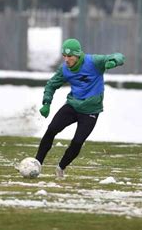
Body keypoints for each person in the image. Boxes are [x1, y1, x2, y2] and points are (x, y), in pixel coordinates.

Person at [34, 38, 125, 178]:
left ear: (77, 55)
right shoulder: (65, 69)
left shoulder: (94, 62)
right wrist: (47, 102)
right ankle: (37, 164)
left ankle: (61, 167)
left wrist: (113, 62)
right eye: (64, 56)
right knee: (51, 129)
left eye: (69, 56)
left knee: (77, 142)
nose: (66, 59)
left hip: (91, 111)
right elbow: (51, 85)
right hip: (72, 105)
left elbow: (119, 56)